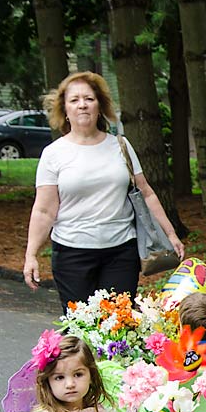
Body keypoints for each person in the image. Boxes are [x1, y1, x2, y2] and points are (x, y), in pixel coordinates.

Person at [23, 71, 184, 312]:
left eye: (89, 98)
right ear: (65, 110)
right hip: (71, 254)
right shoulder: (54, 153)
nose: (82, 105)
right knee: (80, 330)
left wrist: (170, 234)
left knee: (118, 328)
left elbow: (146, 193)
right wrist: (31, 255)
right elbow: (44, 210)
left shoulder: (120, 145)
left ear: (99, 105)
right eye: (74, 100)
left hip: (120, 252)